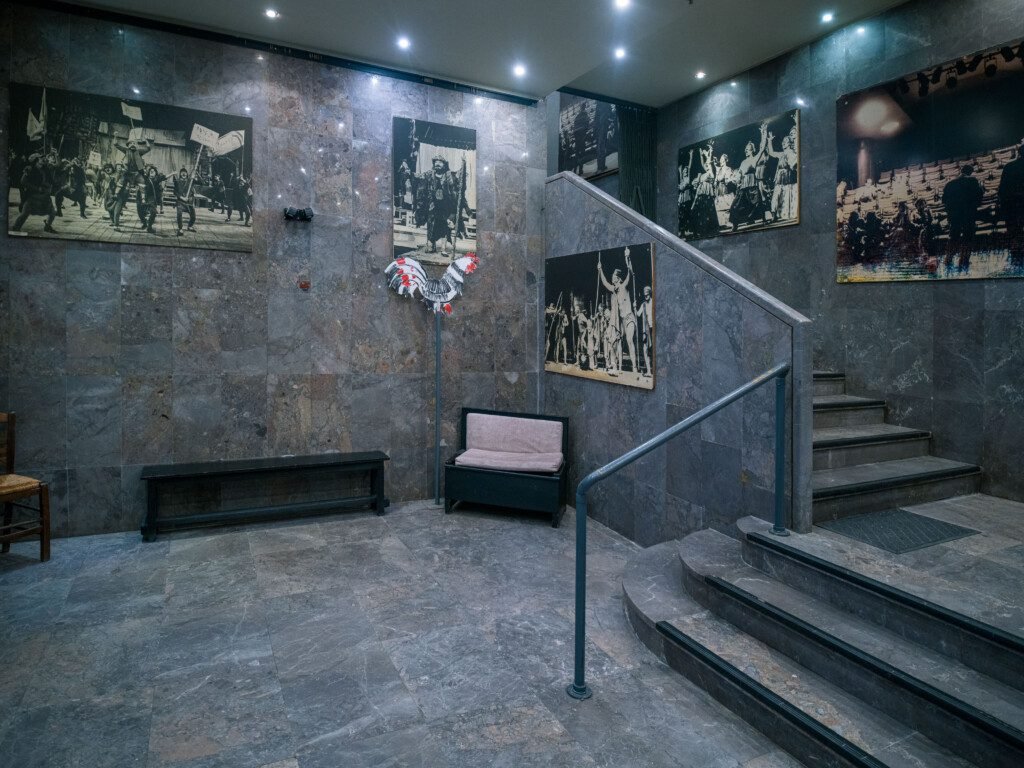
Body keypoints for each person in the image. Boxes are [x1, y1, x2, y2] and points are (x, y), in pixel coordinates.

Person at [597, 251, 638, 376]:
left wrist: (627, 257)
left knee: (629, 340)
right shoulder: (613, 290)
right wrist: (600, 270)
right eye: (612, 277)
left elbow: (630, 273)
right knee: (613, 341)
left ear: (618, 278)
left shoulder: (624, 285)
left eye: (614, 277)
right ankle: (614, 366)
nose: (612, 278)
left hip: (629, 318)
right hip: (620, 321)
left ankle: (635, 368)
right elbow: (604, 282)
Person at [415, 154, 463, 254]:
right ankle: (431, 246)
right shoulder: (429, 174)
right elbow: (420, 180)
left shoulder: (449, 176)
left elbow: (455, 187)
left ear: (444, 165)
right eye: (436, 162)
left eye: (440, 162)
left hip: (445, 206)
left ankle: (443, 248)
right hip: (432, 206)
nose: (437, 164)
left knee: (445, 227)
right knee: (431, 226)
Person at [942, 164, 984, 268]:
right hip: (968, 214)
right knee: (968, 237)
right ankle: (964, 261)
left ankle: (948, 260)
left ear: (961, 171)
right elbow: (979, 196)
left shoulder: (950, 183)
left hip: (954, 215)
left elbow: (944, 201)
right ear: (970, 172)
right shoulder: (973, 180)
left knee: (953, 237)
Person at [10, 153, 57, 233]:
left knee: (52, 212)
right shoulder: (29, 169)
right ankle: (16, 228)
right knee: (25, 214)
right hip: (32, 196)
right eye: (41, 158)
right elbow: (23, 181)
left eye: (43, 158)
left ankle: (47, 226)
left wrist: (51, 185)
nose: (44, 159)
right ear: (36, 160)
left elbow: (51, 180)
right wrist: (37, 188)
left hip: (44, 197)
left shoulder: (45, 169)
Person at [998, 138, 1024, 266]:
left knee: (1014, 232)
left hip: (1012, 205)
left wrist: (1003, 206)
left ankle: (1016, 259)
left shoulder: (1009, 167)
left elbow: (1002, 189)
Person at [767, 131, 798, 221]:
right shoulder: (782, 154)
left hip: (787, 178)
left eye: (786, 141)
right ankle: (774, 215)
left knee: (785, 196)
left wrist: (792, 165)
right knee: (775, 196)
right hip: (779, 178)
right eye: (783, 141)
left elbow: (793, 165)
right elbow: (771, 153)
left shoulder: (791, 153)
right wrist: (769, 141)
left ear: (790, 143)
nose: (783, 143)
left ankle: (779, 215)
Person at [172, 166, 198, 236]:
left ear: (187, 174)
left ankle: (190, 226)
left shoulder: (190, 181)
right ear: (180, 174)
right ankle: (180, 229)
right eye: (182, 173)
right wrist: (182, 198)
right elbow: (175, 192)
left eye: (185, 173)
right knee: (179, 214)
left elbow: (202, 183)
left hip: (189, 202)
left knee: (193, 216)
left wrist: (196, 176)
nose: (183, 174)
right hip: (180, 201)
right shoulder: (177, 181)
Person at [635, 284, 653, 377]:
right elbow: (638, 314)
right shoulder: (643, 304)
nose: (646, 296)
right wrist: (634, 307)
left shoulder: (654, 302)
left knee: (654, 350)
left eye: (647, 295)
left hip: (654, 328)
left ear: (650, 293)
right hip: (646, 330)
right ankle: (649, 371)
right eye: (645, 295)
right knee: (645, 349)